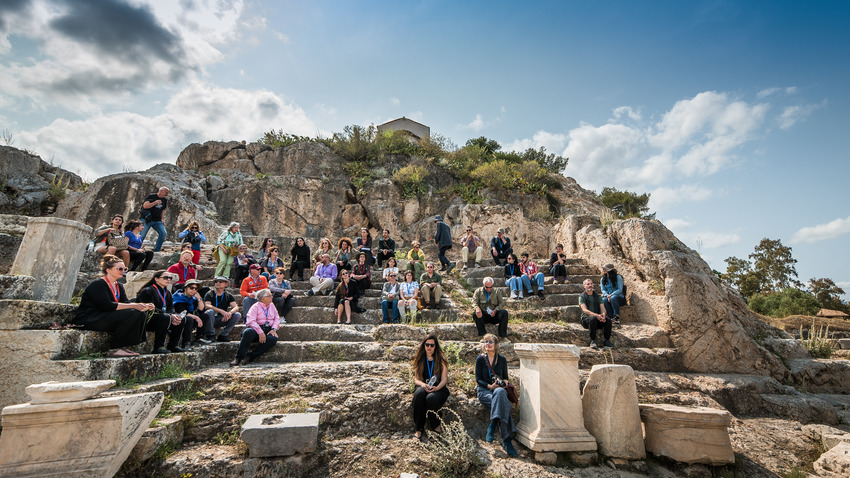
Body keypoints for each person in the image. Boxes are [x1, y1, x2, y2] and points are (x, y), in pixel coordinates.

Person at [72, 255, 160, 357]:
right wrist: (135, 306)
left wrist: (143, 305)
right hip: (91, 318)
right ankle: (114, 349)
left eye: (125, 269)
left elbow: (126, 303)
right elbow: (106, 305)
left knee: (140, 314)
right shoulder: (98, 284)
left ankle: (124, 346)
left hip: (106, 316)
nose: (123, 271)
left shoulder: (119, 285)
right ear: (108, 270)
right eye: (120, 269)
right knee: (133, 313)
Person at [475, 334, 518, 457]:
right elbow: (478, 379)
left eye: (490, 342)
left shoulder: (502, 359)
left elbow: (505, 378)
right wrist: (489, 386)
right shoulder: (480, 359)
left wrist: (503, 383)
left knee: (500, 393)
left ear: (496, 345)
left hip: (498, 391)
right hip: (484, 391)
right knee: (504, 405)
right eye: (486, 341)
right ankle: (507, 441)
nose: (487, 344)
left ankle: (493, 423)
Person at [136, 271, 194, 353]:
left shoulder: (167, 293)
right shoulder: (148, 290)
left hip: (162, 317)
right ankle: (158, 347)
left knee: (182, 319)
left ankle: (173, 345)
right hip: (148, 319)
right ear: (156, 279)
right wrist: (170, 315)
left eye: (170, 278)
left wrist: (173, 315)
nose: (168, 280)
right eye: (165, 278)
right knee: (165, 317)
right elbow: (150, 308)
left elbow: (170, 308)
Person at [411, 334, 450, 441]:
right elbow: (416, 379)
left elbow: (444, 379)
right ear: (423, 345)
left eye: (432, 345)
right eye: (427, 344)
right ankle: (418, 428)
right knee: (419, 395)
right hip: (423, 386)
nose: (429, 347)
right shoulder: (420, 359)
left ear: (435, 346)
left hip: (438, 388)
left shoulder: (441, 359)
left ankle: (436, 427)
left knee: (431, 398)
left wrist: (437, 388)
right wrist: (423, 385)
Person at [230, 289, 280, 366]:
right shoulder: (255, 307)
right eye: (270, 296)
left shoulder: (271, 305)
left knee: (272, 339)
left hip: (267, 328)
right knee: (247, 332)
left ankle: (249, 357)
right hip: (255, 329)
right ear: (263, 298)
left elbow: (277, 318)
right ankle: (238, 357)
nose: (272, 297)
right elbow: (250, 321)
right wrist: (260, 332)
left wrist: (274, 329)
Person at [171, 279, 208, 348]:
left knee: (205, 315)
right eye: (191, 288)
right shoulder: (178, 297)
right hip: (180, 318)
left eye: (196, 288)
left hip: (191, 318)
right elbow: (182, 312)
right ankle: (186, 342)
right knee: (189, 318)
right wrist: (196, 317)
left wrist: (199, 299)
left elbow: (201, 309)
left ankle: (199, 338)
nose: (193, 290)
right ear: (185, 288)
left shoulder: (193, 298)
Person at [203, 276, 241, 342]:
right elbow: (207, 305)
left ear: (226, 284)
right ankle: (211, 335)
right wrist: (221, 311)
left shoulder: (228, 295)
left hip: (223, 318)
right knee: (209, 312)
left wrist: (229, 313)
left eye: (220, 281)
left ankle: (223, 335)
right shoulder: (210, 294)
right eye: (216, 281)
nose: (218, 283)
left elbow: (236, 307)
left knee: (237, 315)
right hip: (211, 318)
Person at [579, 278, 612, 349]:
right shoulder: (582, 297)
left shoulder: (598, 296)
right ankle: (592, 341)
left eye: (591, 284)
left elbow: (603, 308)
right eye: (588, 284)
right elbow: (584, 310)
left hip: (597, 319)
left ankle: (606, 341)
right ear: (584, 286)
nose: (590, 285)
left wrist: (603, 315)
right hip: (586, 320)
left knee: (608, 320)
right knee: (593, 319)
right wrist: (596, 315)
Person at [139, 187, 170, 252]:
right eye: (166, 192)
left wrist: (162, 219)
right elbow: (145, 206)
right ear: (161, 191)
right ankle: (137, 249)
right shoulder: (151, 196)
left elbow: (163, 210)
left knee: (163, 233)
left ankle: (157, 250)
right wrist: (155, 203)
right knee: (142, 235)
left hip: (157, 220)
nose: (167, 194)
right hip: (147, 219)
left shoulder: (164, 200)